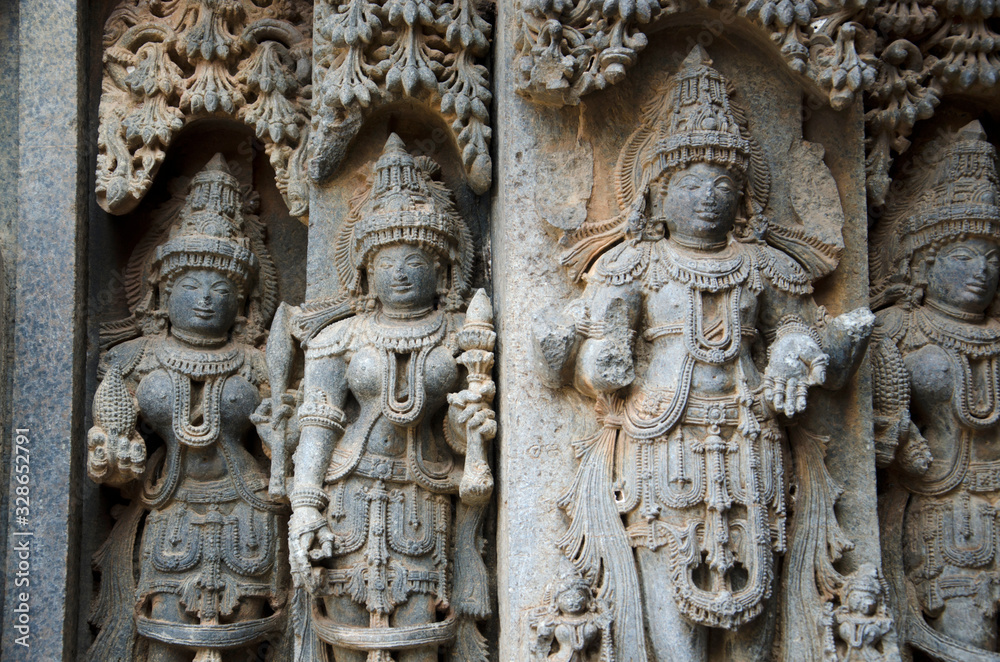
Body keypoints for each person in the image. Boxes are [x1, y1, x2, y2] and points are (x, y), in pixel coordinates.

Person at [534, 46, 872, 661]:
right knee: (672, 603)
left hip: (752, 441)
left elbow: (795, 330)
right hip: (660, 443)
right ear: (657, 194)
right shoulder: (630, 264)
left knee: (754, 604)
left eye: (723, 184)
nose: (709, 197)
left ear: (745, 196)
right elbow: (591, 355)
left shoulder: (767, 266)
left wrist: (795, 353)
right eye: (691, 183)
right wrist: (595, 368)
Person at [280, 134, 494, 661]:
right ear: (366, 269)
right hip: (348, 494)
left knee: (420, 634)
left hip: (425, 498)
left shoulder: (458, 336)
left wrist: (470, 428)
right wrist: (304, 508)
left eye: (416, 256)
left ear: (443, 268)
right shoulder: (342, 336)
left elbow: (457, 433)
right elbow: (319, 423)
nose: (400, 271)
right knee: (347, 632)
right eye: (387, 258)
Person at [86, 155, 287, 662]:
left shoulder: (257, 363)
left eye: (221, 289)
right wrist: (113, 458)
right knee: (164, 639)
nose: (205, 300)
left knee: (242, 640)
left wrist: (279, 436)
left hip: (247, 510)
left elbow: (283, 435)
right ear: (161, 291)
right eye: (190, 286)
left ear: (243, 301)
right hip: (169, 507)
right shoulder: (132, 360)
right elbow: (111, 446)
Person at [872, 120, 1000, 657]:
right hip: (944, 508)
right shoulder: (898, 329)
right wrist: (898, 436)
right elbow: (869, 433)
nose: (981, 272)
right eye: (964, 257)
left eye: (993, 259)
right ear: (924, 261)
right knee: (966, 640)